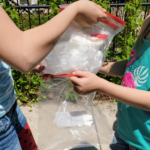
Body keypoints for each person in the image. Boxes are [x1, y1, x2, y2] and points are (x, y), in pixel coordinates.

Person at [0, 1, 107, 150]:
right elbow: (23, 54)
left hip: (8, 105)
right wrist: (75, 10)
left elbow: (10, 47)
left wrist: (20, 59)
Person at [70, 15, 150, 150]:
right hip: (124, 129)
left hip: (144, 141)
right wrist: (99, 66)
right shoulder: (148, 23)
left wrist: (101, 86)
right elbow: (135, 65)